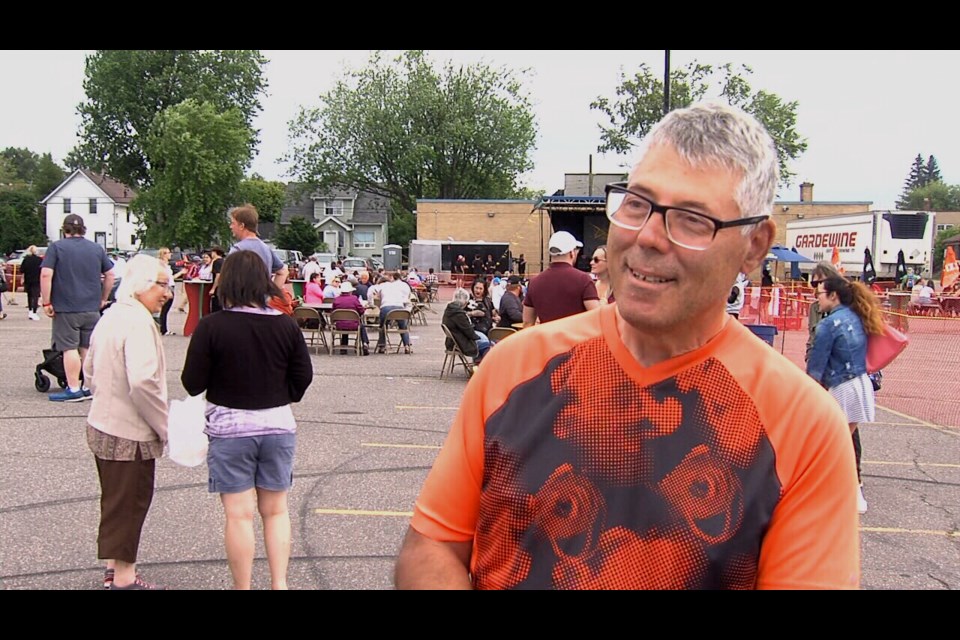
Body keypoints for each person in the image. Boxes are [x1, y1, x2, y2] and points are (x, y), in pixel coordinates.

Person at [395, 101, 859, 590]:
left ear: (754, 245)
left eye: (692, 219)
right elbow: (433, 546)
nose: (648, 236)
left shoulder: (805, 427)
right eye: (637, 204)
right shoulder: (514, 370)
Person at [181, 250, 313, 590]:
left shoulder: (211, 327)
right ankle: (279, 583)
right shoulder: (285, 325)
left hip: (230, 428)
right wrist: (283, 395)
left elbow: (192, 382)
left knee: (238, 515)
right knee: (276, 511)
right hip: (277, 424)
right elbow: (303, 376)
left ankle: (243, 586)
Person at [84, 254, 172, 589]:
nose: (167, 293)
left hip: (103, 423)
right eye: (162, 285)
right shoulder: (138, 322)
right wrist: (165, 426)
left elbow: (90, 368)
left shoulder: (112, 315)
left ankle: (113, 566)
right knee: (130, 503)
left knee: (115, 499)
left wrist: (105, 396)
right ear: (141, 285)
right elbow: (143, 382)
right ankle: (123, 577)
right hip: (130, 432)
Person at [807, 275, 884, 515]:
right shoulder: (857, 316)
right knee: (841, 442)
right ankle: (849, 492)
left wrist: (808, 392)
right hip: (860, 383)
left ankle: (846, 493)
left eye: (820, 293)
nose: (816, 298)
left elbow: (816, 367)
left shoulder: (828, 325)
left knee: (834, 444)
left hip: (842, 386)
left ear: (833, 295)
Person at [40, 214, 115, 402]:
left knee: (68, 348)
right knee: (87, 348)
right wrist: (103, 298)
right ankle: (88, 386)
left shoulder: (56, 248)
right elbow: (110, 274)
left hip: (66, 307)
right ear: (83, 229)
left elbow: (46, 275)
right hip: (91, 307)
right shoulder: (96, 248)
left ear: (64, 229)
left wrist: (46, 301)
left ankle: (73, 389)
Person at [522, 230, 600, 327]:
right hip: (577, 340)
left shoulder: (534, 282)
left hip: (547, 340)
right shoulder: (583, 279)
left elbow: (527, 322)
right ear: (572, 253)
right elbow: (597, 317)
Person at [227, 204, 289, 288]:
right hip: (262, 300)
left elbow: (227, 280)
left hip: (241, 300)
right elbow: (283, 272)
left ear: (242, 226)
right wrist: (271, 294)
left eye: (233, 223)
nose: (230, 226)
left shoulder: (237, 250)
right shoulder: (266, 249)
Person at [443, 287, 488, 366]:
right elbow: (469, 332)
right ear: (464, 302)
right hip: (460, 342)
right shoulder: (458, 314)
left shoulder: (450, 310)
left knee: (484, 339)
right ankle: (482, 366)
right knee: (486, 344)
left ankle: (478, 363)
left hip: (453, 340)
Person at [374, 271, 412, 354]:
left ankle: (382, 346)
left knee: (382, 326)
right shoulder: (399, 286)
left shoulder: (382, 286)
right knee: (403, 327)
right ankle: (407, 345)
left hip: (386, 307)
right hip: (399, 307)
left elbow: (374, 294)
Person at [332, 281, 370, 355]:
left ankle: (343, 347)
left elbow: (333, 312)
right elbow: (361, 311)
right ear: (350, 291)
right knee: (361, 326)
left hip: (339, 325)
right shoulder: (354, 299)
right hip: (354, 324)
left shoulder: (336, 300)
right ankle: (365, 343)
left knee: (344, 323)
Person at [21, 245, 44, 320]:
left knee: (29, 296)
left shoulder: (26, 259)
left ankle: (30, 310)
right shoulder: (39, 260)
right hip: (37, 280)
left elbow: (22, 270)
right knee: (35, 296)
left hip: (28, 280)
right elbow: (42, 270)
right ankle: (34, 312)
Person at [208, 247, 225, 313]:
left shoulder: (217, 262)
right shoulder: (223, 261)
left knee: (215, 306)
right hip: (223, 287)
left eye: (212, 252)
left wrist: (213, 288)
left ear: (215, 252)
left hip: (218, 288)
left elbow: (218, 275)